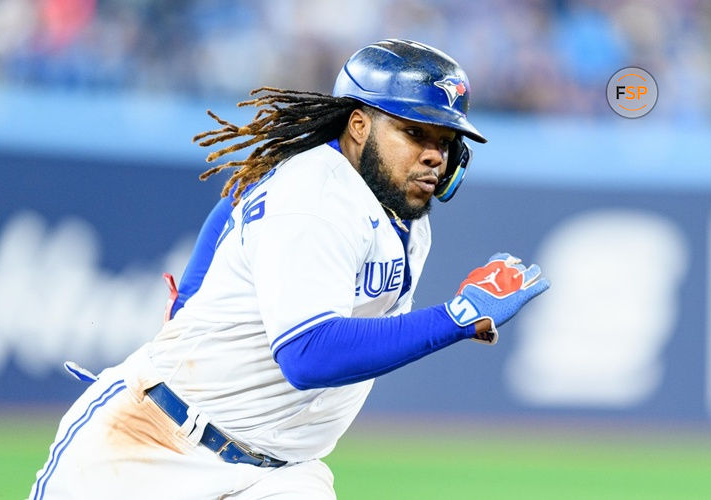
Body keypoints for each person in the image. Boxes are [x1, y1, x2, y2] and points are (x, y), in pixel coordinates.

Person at [30, 39, 549, 499]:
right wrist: (456, 317)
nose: (435, 155)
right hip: (151, 451)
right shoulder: (317, 196)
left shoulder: (402, 215)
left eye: (445, 140)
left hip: (277, 475)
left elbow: (233, 201)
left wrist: (190, 302)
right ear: (359, 124)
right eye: (415, 131)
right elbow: (308, 356)